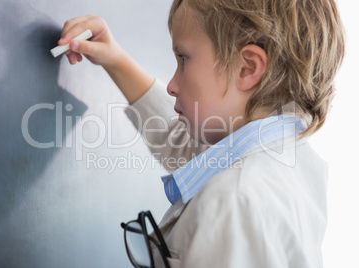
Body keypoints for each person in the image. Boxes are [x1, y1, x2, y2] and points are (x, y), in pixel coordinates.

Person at [57, 0, 345, 267]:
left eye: (183, 59)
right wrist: (115, 59)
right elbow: (180, 142)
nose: (172, 84)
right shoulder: (285, 156)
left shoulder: (235, 201)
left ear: (247, 67)